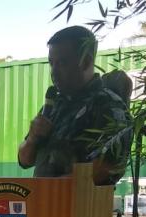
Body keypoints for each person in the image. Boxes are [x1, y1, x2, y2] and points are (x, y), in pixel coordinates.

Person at [17, 26, 132, 183]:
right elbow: (24, 161)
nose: (54, 71)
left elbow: (106, 169)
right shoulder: (54, 105)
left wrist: (50, 188)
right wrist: (32, 138)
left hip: (81, 199)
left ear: (86, 62)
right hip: (44, 197)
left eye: (62, 63)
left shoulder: (108, 105)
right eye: (51, 63)